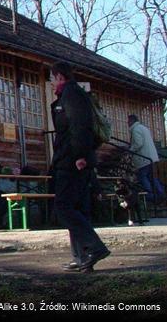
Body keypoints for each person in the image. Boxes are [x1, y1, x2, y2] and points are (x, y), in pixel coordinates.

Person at [50, 61, 110, 273]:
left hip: (72, 161)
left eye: (52, 78)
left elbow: (79, 127)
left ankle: (94, 248)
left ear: (59, 76)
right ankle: (82, 255)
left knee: (64, 206)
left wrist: (80, 156)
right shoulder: (67, 95)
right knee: (76, 208)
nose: (50, 83)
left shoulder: (72, 95)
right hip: (70, 158)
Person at [128, 114, 166, 206]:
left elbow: (138, 143)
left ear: (132, 121)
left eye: (128, 121)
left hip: (143, 158)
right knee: (151, 177)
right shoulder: (143, 128)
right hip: (151, 157)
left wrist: (130, 150)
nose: (127, 123)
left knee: (142, 176)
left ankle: (150, 195)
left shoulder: (135, 129)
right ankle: (161, 193)